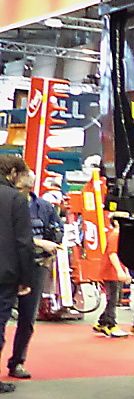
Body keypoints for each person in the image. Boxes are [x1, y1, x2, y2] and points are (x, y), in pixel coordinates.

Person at [6, 163, 62, 380]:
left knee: (28, 318)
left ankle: (18, 361)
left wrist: (50, 251)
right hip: (9, 265)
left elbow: (56, 230)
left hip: (37, 265)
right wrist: (39, 243)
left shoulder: (44, 207)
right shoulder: (9, 203)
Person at [0, 155, 37, 395]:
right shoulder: (15, 199)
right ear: (13, 173)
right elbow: (24, 243)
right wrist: (26, 279)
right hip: (4, 274)